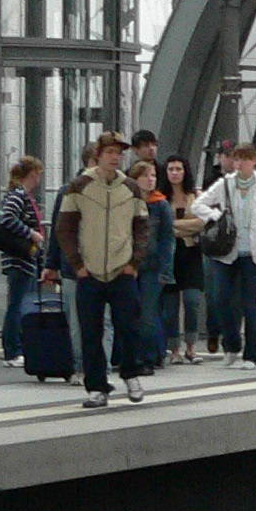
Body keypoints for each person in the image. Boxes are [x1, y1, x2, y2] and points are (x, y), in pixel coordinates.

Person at [50, 133, 153, 407]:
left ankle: (131, 373)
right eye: (110, 152)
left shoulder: (130, 187)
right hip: (90, 271)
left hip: (122, 269)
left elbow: (142, 227)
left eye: (119, 153)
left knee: (129, 326)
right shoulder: (79, 186)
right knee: (90, 332)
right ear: (98, 155)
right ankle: (96, 387)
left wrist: (134, 263)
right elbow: (64, 228)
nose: (115, 157)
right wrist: (77, 264)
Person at [192, 143, 256, 368]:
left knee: (250, 305)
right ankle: (231, 345)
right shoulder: (225, 183)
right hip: (226, 251)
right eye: (237, 159)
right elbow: (198, 205)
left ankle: (251, 355)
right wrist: (216, 215)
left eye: (245, 159)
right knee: (221, 299)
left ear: (254, 161)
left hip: (253, 252)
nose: (240, 164)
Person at [0, 156, 47, 366]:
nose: (39, 180)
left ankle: (18, 348)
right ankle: (13, 350)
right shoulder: (18, 195)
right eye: (38, 175)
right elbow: (7, 218)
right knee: (17, 304)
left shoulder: (21, 195)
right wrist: (30, 233)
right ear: (32, 174)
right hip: (20, 257)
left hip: (24, 258)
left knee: (20, 303)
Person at [128, 160, 172, 365]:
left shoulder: (161, 204)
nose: (150, 180)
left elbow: (166, 239)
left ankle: (148, 356)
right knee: (131, 311)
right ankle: (134, 354)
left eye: (153, 175)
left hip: (152, 266)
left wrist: (165, 269)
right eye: (145, 176)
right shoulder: (128, 202)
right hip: (129, 264)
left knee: (148, 312)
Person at [161, 156, 204, 364]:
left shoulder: (195, 195)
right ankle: (174, 349)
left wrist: (175, 226)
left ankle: (191, 346)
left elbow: (201, 222)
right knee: (170, 306)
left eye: (179, 169)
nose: (175, 173)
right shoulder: (161, 197)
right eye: (171, 169)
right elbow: (162, 226)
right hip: (169, 254)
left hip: (191, 253)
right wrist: (186, 226)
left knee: (192, 300)